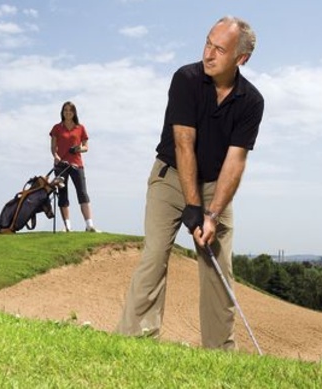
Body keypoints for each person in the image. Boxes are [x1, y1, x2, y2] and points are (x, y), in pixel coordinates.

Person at [116, 16, 264, 350]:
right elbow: (184, 143)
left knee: (218, 269)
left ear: (241, 59)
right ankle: (134, 342)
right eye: (207, 43)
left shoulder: (252, 102)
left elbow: (235, 161)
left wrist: (210, 214)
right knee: (154, 257)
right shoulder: (185, 79)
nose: (208, 54)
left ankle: (219, 353)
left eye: (220, 49)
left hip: (214, 186)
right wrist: (192, 206)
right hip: (169, 178)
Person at [49, 101, 100, 232]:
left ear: (74, 113)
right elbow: (53, 147)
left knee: (82, 193)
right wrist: (56, 156)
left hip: (77, 164)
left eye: (70, 110)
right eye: (65, 110)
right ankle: (67, 226)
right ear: (62, 112)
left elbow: (86, 147)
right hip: (61, 165)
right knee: (63, 194)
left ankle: (89, 225)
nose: (68, 112)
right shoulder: (57, 128)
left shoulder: (80, 128)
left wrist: (78, 149)